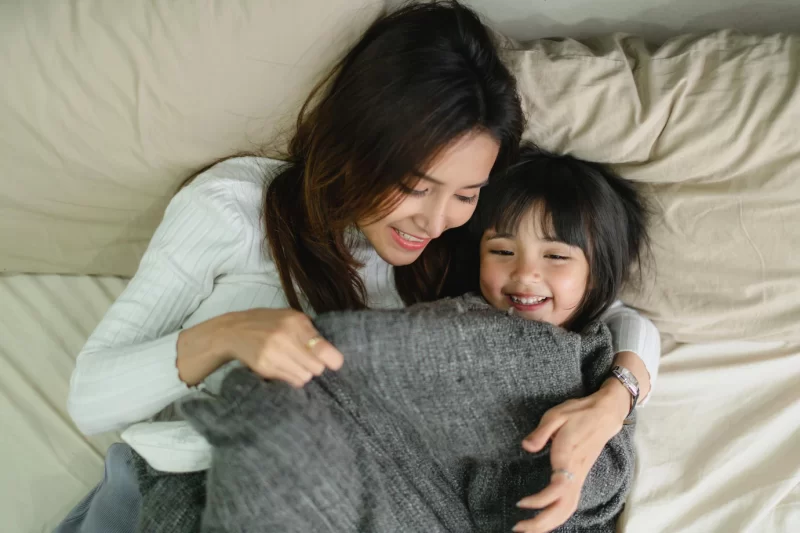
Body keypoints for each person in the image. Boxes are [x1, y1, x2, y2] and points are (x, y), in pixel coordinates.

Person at [59, 2, 658, 533]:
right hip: (192, 479)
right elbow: (91, 399)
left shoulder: (460, 241)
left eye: (467, 192)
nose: (434, 220)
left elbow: (604, 312)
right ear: (361, 144)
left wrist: (613, 401)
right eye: (412, 186)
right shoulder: (233, 207)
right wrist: (229, 336)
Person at [461, 146, 653, 532]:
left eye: (556, 256)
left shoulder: (592, 343)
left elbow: (630, 324)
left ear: (597, 273)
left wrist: (614, 398)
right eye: (502, 250)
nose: (525, 272)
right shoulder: (463, 319)